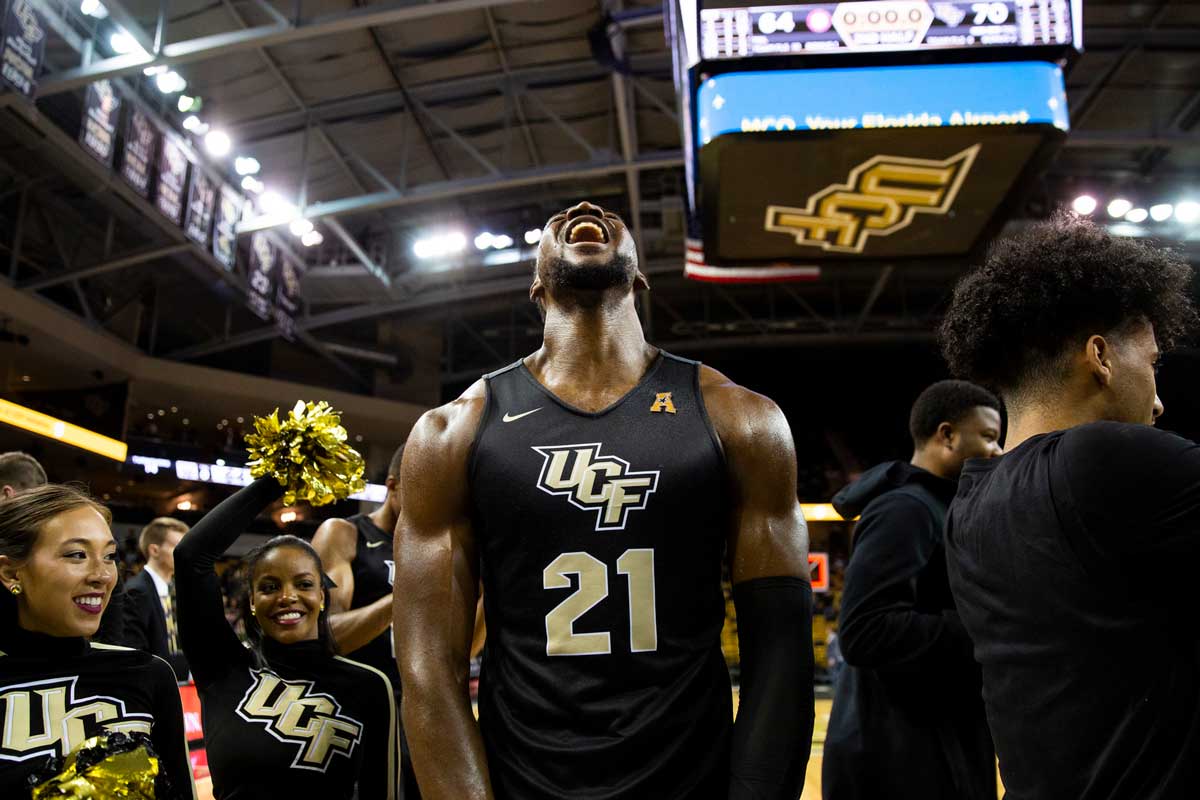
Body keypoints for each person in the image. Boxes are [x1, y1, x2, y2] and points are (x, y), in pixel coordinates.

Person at [395, 200, 814, 799]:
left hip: (691, 778)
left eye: (610, 213)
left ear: (639, 278)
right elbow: (428, 671)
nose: (587, 208)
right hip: (524, 782)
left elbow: (781, 656)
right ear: (536, 284)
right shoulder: (450, 433)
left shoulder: (743, 420)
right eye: (562, 218)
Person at [937, 212, 1199, 799]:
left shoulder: (970, 506)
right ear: (1101, 356)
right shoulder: (1102, 460)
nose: (1158, 401)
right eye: (1152, 364)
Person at [822, 380, 1002, 800]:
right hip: (901, 754)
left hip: (925, 740)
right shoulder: (904, 510)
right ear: (947, 435)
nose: (997, 451)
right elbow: (865, 631)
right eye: (989, 437)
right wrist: (989, 629)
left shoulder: (935, 506)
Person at [174, 477, 398, 800]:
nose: (287, 597)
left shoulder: (370, 686)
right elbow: (190, 556)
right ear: (251, 601)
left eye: (304, 584)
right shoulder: (223, 666)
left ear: (322, 595)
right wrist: (275, 481)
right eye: (269, 587)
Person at [0, 485, 194, 798]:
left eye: (109, 556)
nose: (102, 575)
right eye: (77, 554)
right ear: (11, 573)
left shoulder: (148, 673)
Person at [312, 443, 420, 799]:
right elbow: (329, 634)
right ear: (392, 486)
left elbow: (466, 651)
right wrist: (406, 592)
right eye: (420, 487)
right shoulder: (344, 533)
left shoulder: (437, 546)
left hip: (415, 709)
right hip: (353, 705)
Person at [122, 517, 190, 679]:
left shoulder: (171, 588)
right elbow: (137, 656)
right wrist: (191, 670)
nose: (185, 553)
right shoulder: (137, 591)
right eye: (178, 547)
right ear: (154, 550)